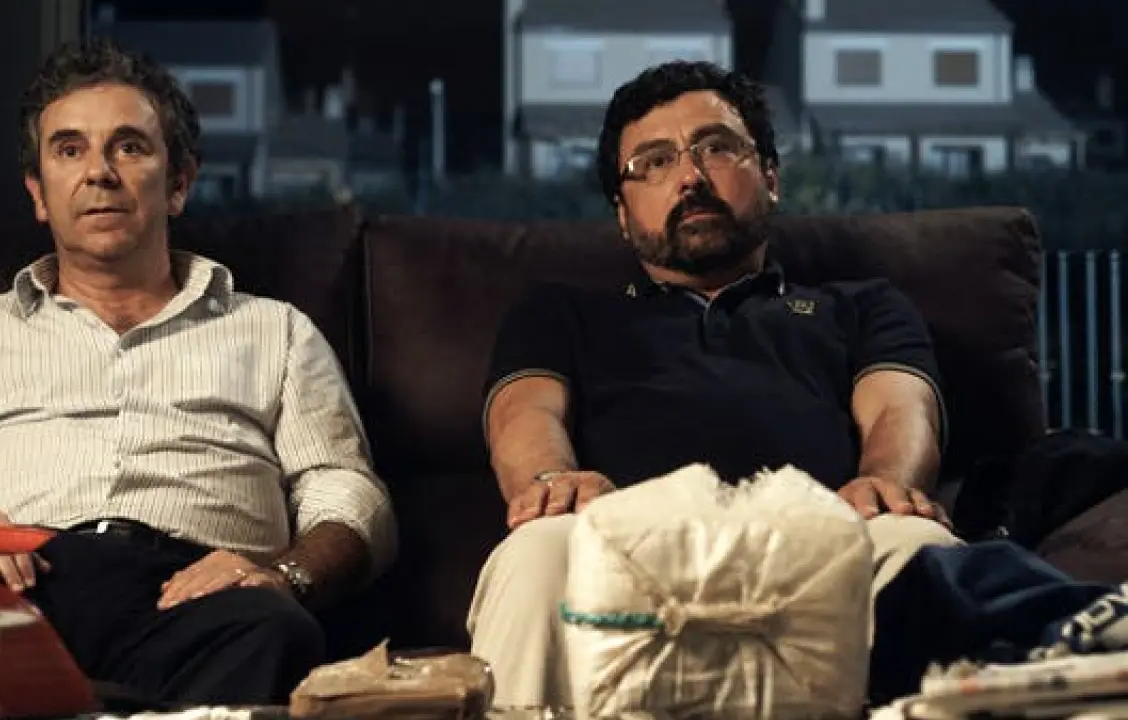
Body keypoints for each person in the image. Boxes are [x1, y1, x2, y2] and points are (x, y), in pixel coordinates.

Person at [465, 60, 1127, 708]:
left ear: (771, 177)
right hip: (622, 549)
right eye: (654, 162)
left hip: (824, 543)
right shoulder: (561, 313)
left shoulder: (861, 306)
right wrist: (550, 481)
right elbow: (525, 415)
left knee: (915, 543)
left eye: (716, 148)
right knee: (536, 552)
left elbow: (901, 409)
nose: (691, 176)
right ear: (622, 211)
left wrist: (884, 481)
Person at [0, 39, 396, 706]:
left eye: (129, 147)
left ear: (179, 183)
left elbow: (345, 491)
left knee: (275, 627)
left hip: (191, 601)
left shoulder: (277, 332)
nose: (99, 173)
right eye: (69, 149)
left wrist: (284, 575)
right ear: (38, 193)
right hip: (12, 594)